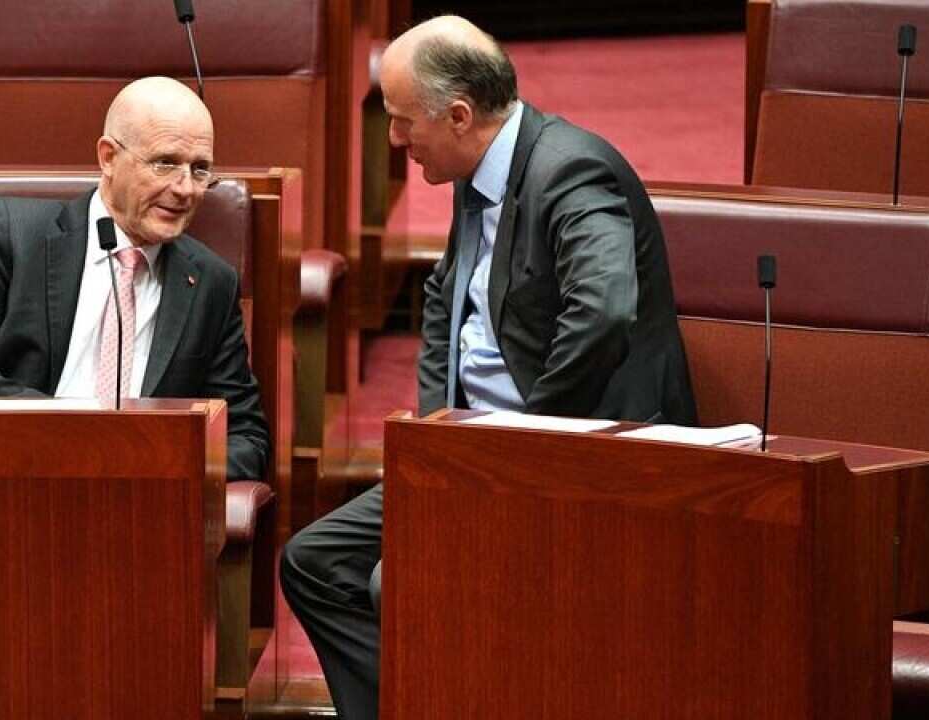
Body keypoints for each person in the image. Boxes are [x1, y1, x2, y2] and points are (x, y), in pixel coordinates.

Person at [280, 16, 696, 720]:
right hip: (473, 451)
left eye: (404, 121)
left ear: (461, 115)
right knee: (314, 562)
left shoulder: (570, 169)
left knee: (400, 582)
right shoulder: (478, 174)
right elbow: (446, 296)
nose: (394, 139)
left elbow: (603, 310)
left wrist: (522, 440)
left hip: (576, 459)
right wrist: (433, 425)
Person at [0, 76, 269, 480]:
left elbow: (246, 437)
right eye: (165, 163)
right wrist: (69, 434)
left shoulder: (211, 283)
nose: (185, 189)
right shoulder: (12, 233)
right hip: (10, 474)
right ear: (108, 157)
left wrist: (157, 461)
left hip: (140, 498)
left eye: (200, 169)